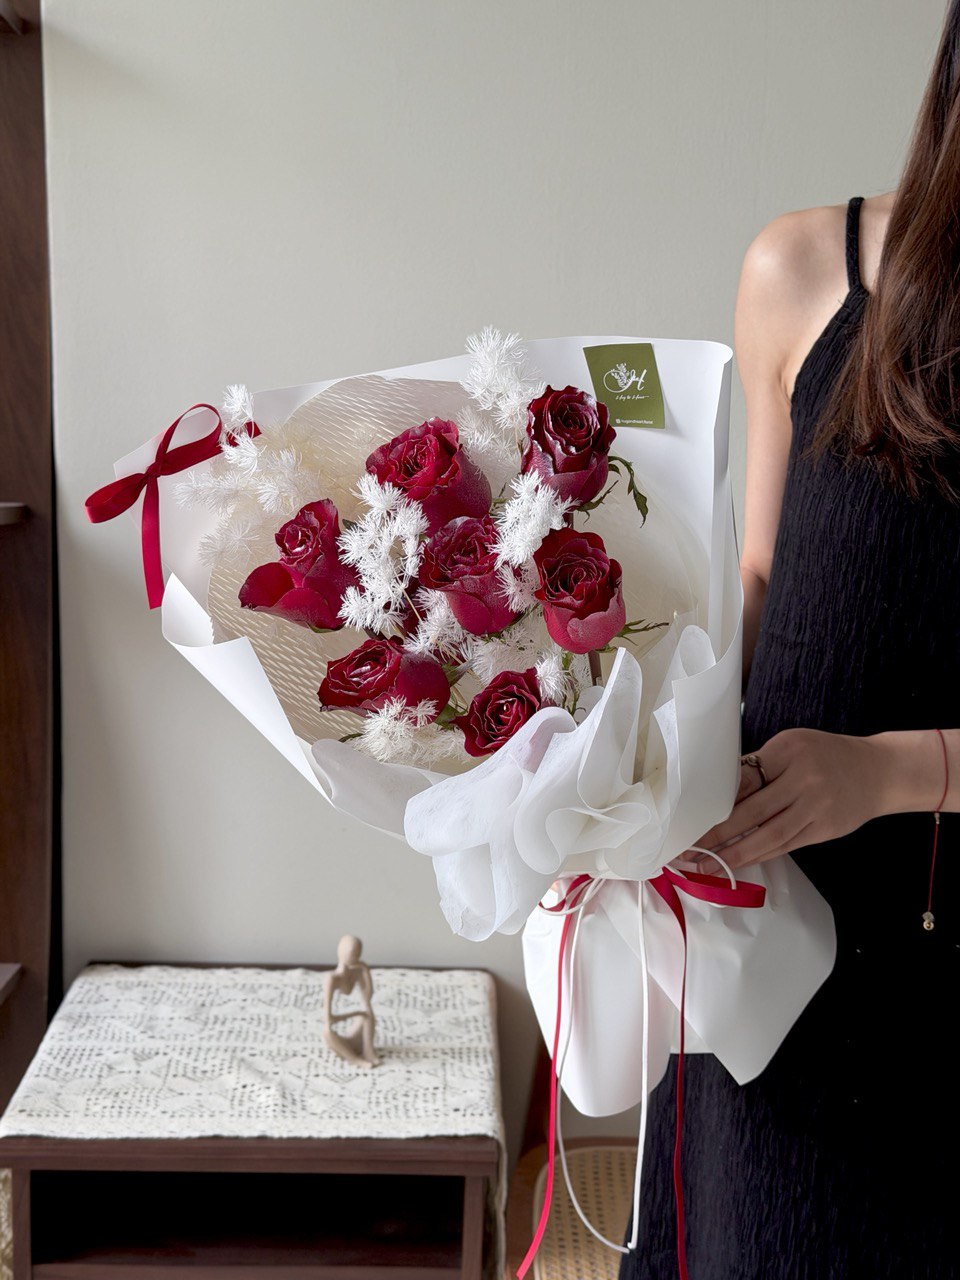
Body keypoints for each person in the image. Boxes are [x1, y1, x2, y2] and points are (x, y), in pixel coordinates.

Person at [620, 7, 960, 1279]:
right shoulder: (808, 268)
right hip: (775, 928)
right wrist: (630, 793)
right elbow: (759, 576)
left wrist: (889, 772)